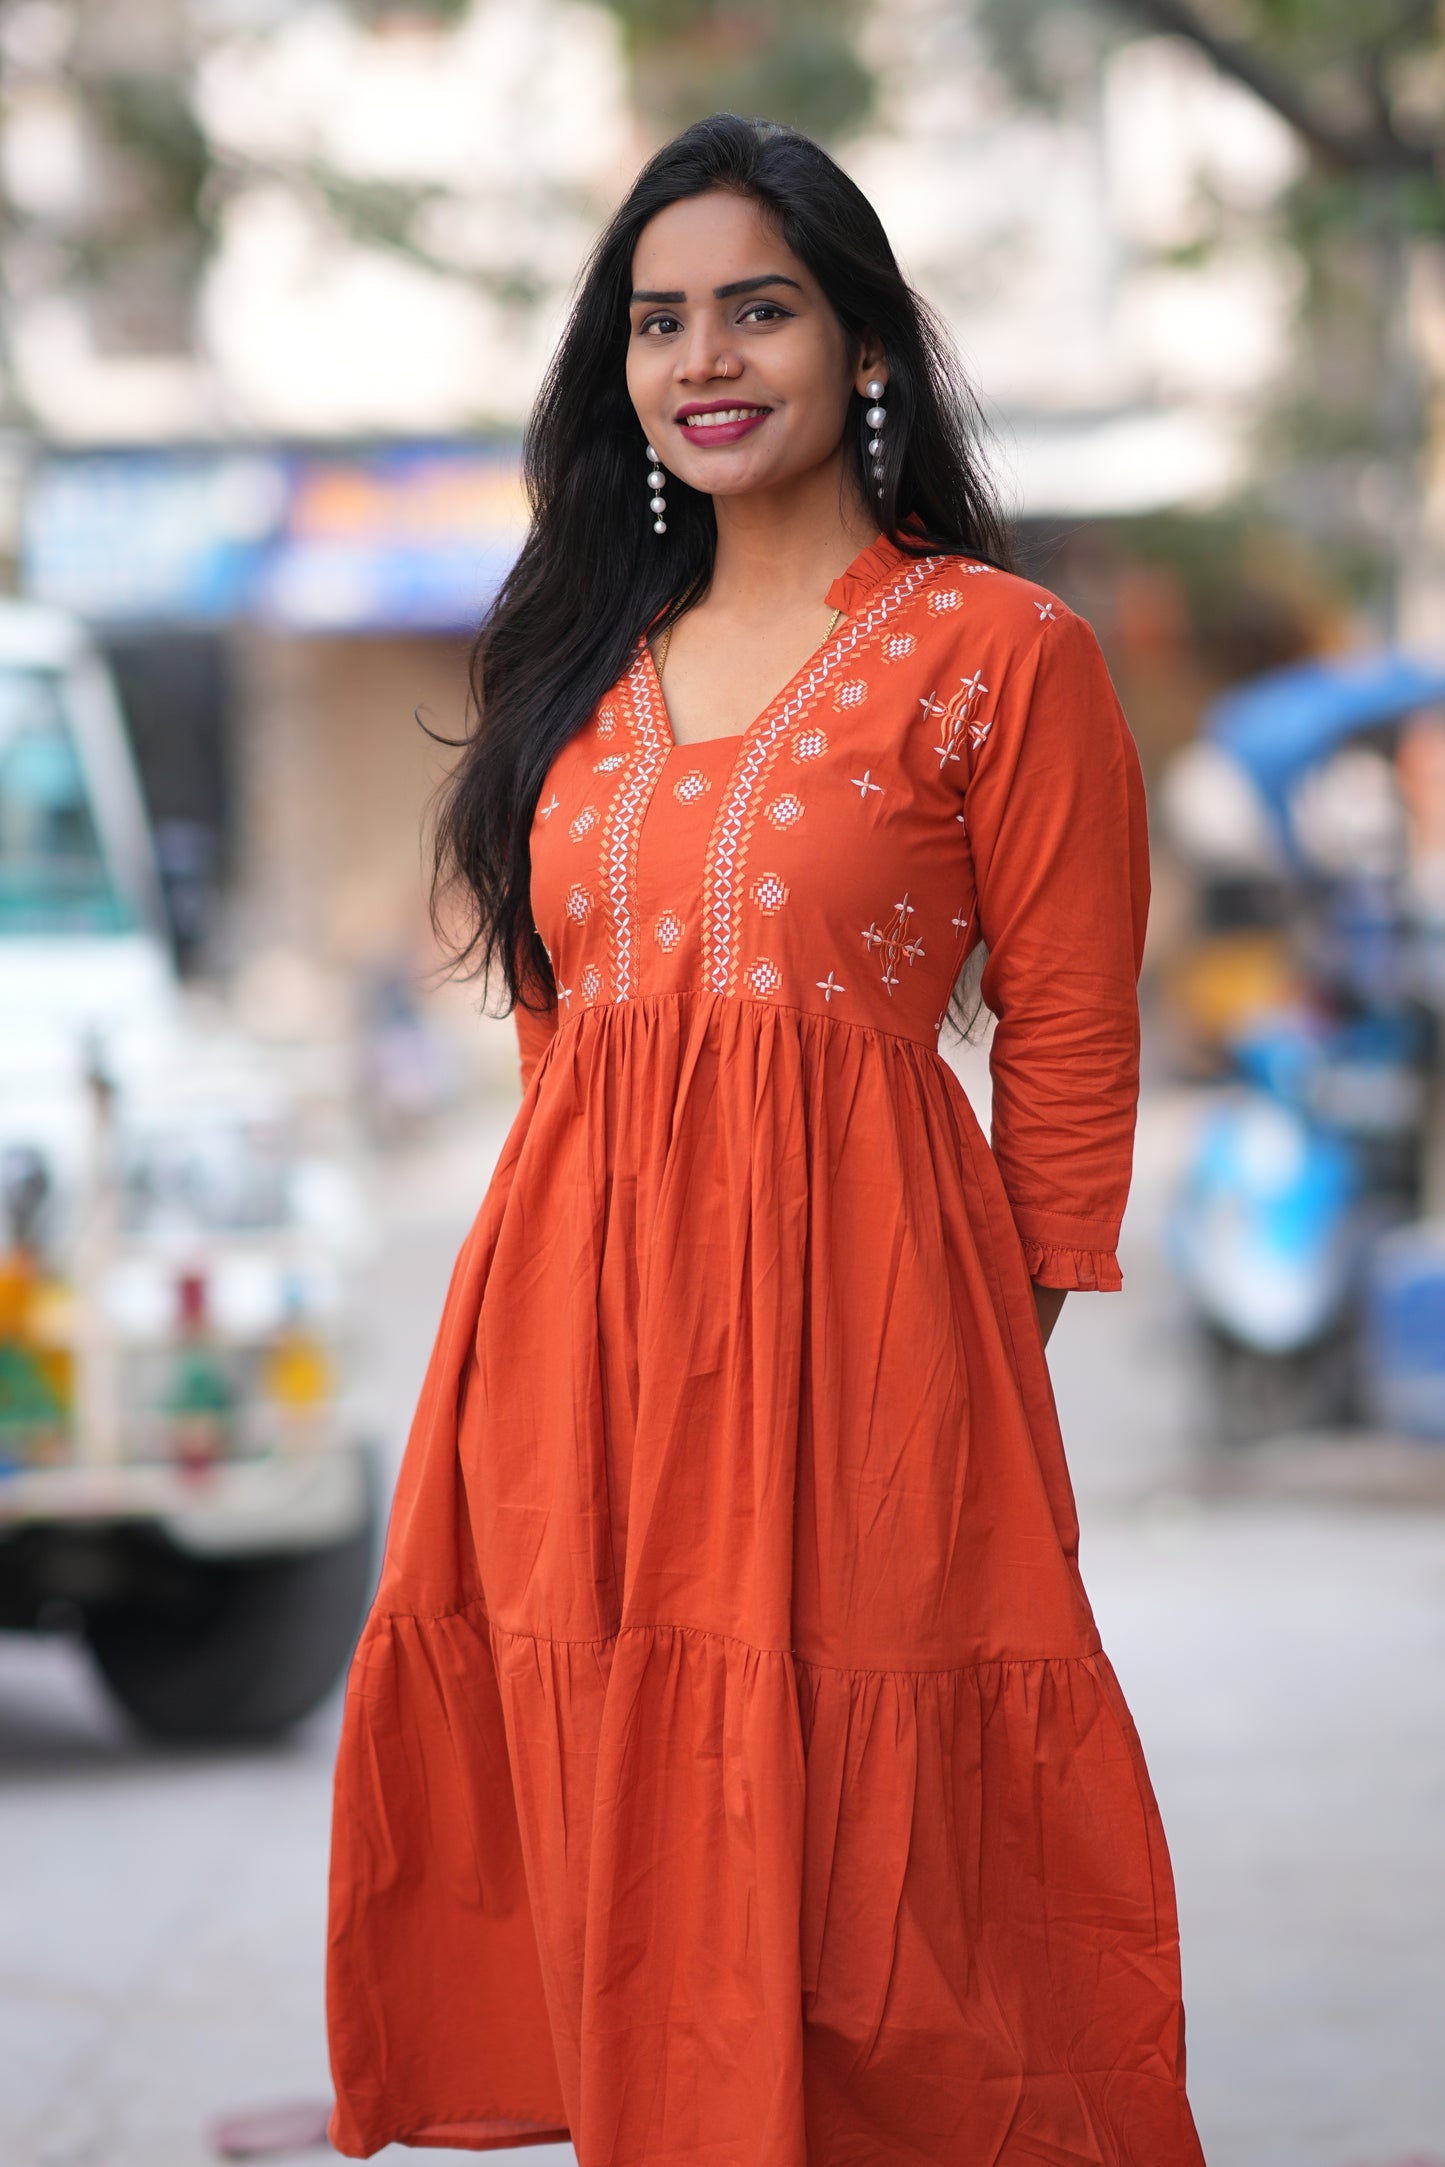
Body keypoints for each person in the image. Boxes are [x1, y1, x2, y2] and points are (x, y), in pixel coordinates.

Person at [326, 113, 1206, 2167]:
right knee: (625, 1833)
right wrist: (556, 1359)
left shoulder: (1002, 652)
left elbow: (1072, 1032)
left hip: (872, 1353)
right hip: (568, 1365)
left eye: (758, 308)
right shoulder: (575, 667)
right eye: (658, 322)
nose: (702, 358)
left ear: (866, 345)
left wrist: (977, 1361)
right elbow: (566, 1052)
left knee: (902, 1893)